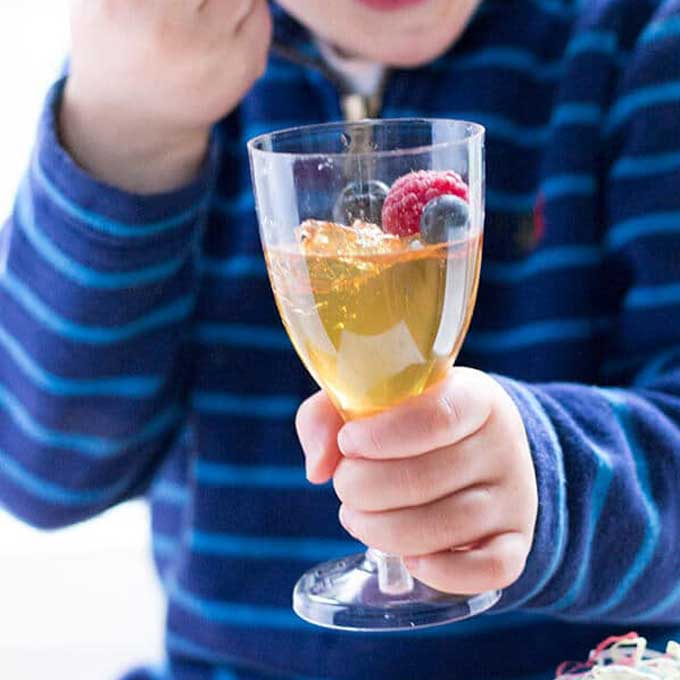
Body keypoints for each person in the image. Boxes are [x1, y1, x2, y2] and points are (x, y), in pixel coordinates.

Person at [0, 0, 678, 678]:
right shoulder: (152, 68)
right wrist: (126, 135)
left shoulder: (639, 42)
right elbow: (40, 473)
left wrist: (550, 479)